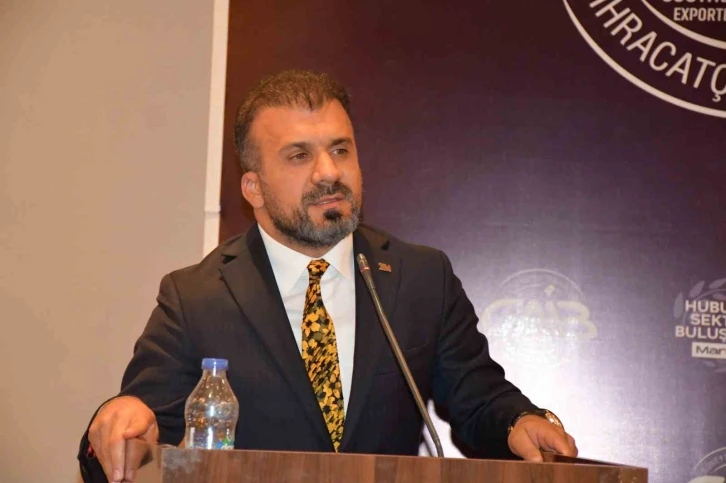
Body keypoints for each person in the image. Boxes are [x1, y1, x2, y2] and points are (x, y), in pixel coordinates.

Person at [78, 70, 577, 483]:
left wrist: (520, 422)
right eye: (299, 156)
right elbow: (136, 425)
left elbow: (479, 399)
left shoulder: (420, 278)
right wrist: (119, 426)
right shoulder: (196, 296)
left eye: (340, 150)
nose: (328, 172)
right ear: (253, 187)